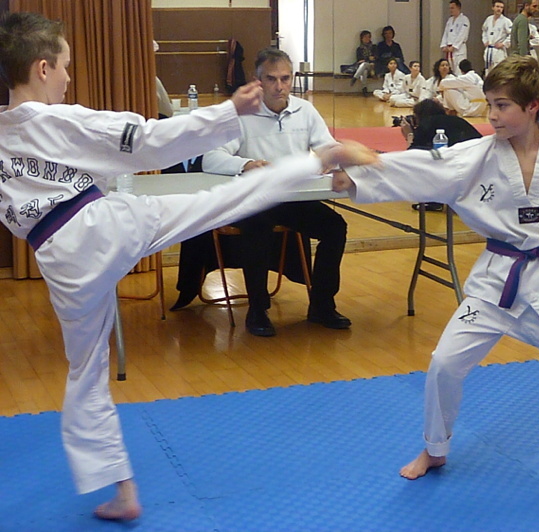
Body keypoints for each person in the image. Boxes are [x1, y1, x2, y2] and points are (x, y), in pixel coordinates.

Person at [0, 12, 375, 521]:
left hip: (59, 259)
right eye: (65, 66)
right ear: (42, 68)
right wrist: (228, 112)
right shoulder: (57, 120)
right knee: (221, 202)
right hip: (102, 226)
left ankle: (122, 489)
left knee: (85, 373)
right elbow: (146, 141)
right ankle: (318, 160)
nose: (68, 77)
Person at [330, 55, 539, 480]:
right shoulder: (475, 156)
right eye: (490, 103)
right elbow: (422, 167)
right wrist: (358, 175)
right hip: (497, 281)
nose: (491, 115)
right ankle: (435, 448)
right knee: (444, 363)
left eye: (502, 105)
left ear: (533, 106)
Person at [197, 48, 351, 337]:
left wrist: (337, 162)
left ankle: (322, 305)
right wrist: (246, 164)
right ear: (258, 82)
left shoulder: (305, 111)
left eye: (285, 78)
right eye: (271, 79)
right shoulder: (242, 114)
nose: (279, 86)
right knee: (257, 229)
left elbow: (327, 147)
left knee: (335, 227)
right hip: (254, 198)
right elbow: (211, 158)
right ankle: (257, 309)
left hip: (293, 198)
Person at [399, 97, 481, 211]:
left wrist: (409, 134)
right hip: (479, 162)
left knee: (428, 159)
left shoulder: (427, 123)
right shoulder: (457, 120)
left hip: (457, 166)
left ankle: (433, 200)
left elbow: (413, 154)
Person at [482, 0, 512, 76]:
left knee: (499, 73)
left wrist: (503, 44)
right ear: (493, 7)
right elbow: (484, 31)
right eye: (497, 6)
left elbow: (512, 35)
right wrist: (485, 41)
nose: (499, 9)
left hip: (499, 51)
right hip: (489, 49)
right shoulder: (488, 19)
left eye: (501, 7)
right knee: (488, 72)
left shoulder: (506, 21)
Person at [440, 0, 470, 76]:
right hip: (449, 49)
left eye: (452, 8)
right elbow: (446, 34)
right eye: (450, 8)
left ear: (458, 8)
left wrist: (454, 46)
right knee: (450, 71)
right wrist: (444, 45)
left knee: (459, 70)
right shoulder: (450, 20)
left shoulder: (464, 19)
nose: (451, 10)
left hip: (459, 49)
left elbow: (462, 34)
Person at [350, 30, 377, 94]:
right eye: (365, 37)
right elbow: (359, 60)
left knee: (364, 64)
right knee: (364, 71)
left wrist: (366, 59)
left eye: (368, 37)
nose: (367, 38)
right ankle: (364, 88)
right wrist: (368, 58)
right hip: (363, 67)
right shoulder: (359, 49)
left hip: (373, 67)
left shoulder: (374, 47)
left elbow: (375, 57)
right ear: (361, 38)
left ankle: (355, 77)